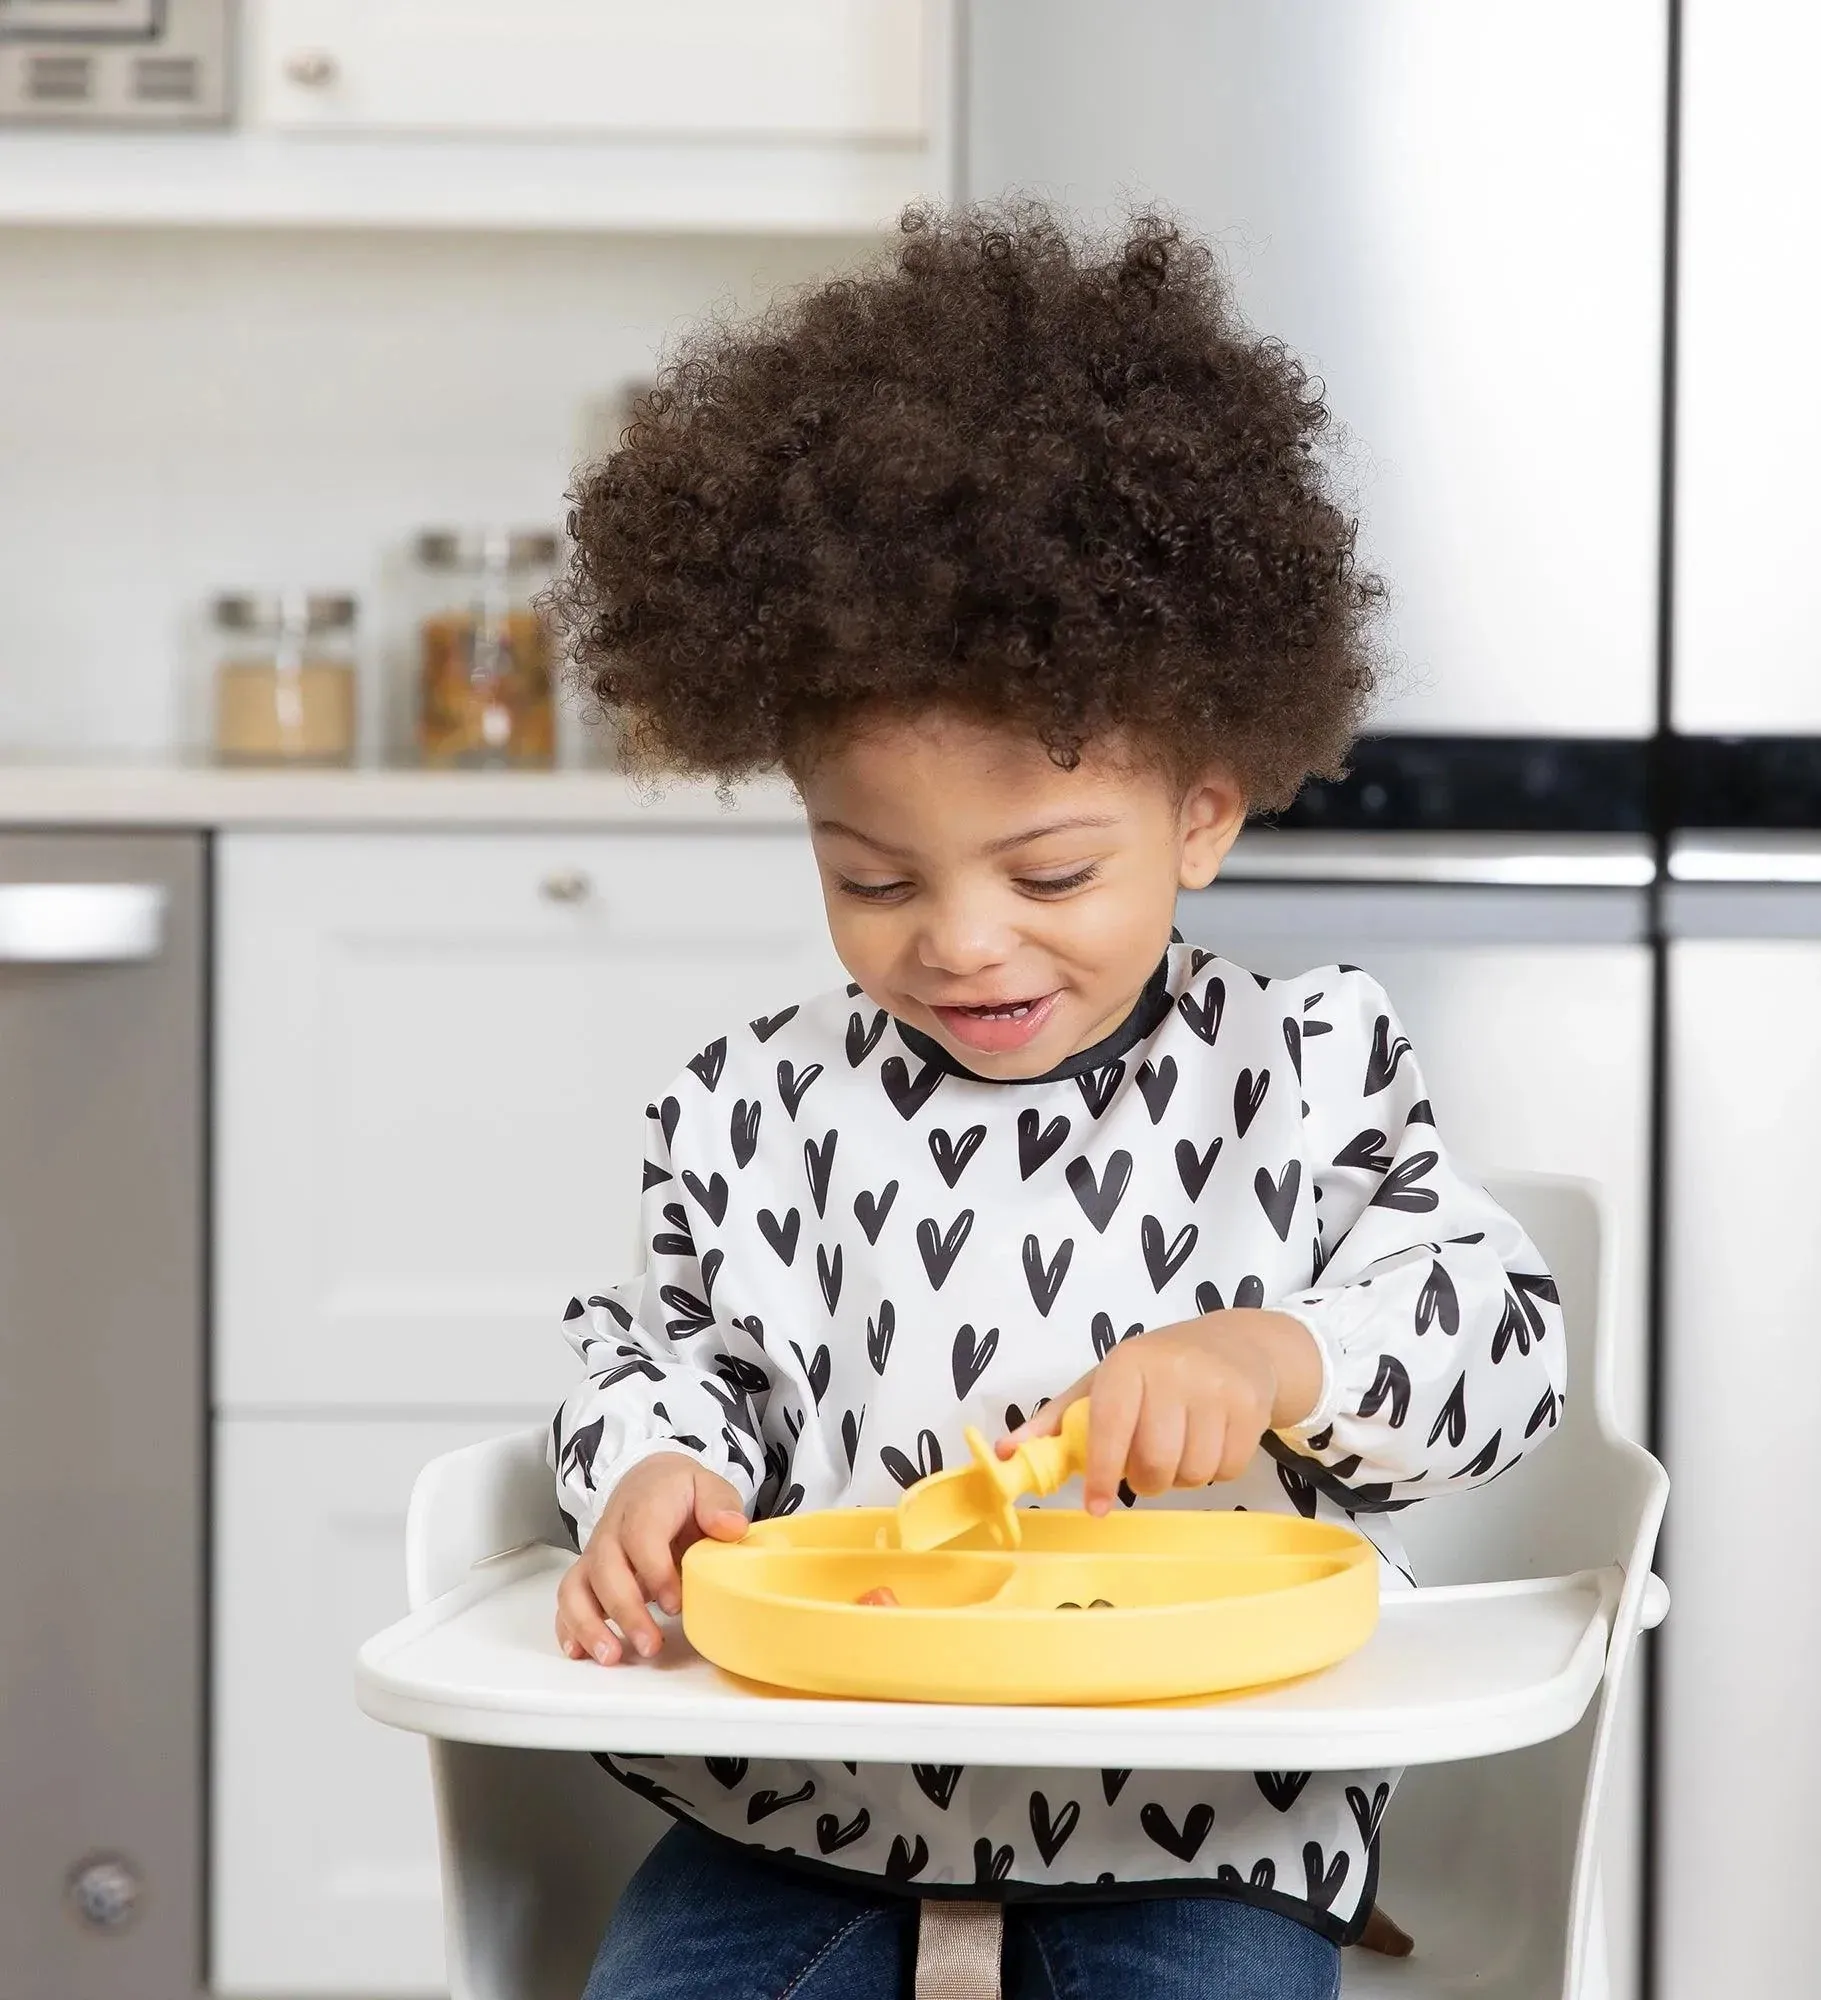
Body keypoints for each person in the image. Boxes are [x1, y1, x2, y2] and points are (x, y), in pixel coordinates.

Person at [544, 201, 1565, 2000]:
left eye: (1050, 872)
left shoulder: (1303, 1072)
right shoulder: (750, 1108)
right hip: (799, 1813)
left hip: (1203, 1819)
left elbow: (1494, 1335)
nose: (959, 942)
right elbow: (663, 1349)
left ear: (1206, 813)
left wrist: (1272, 1359)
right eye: (872, 880)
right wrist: (655, 1466)